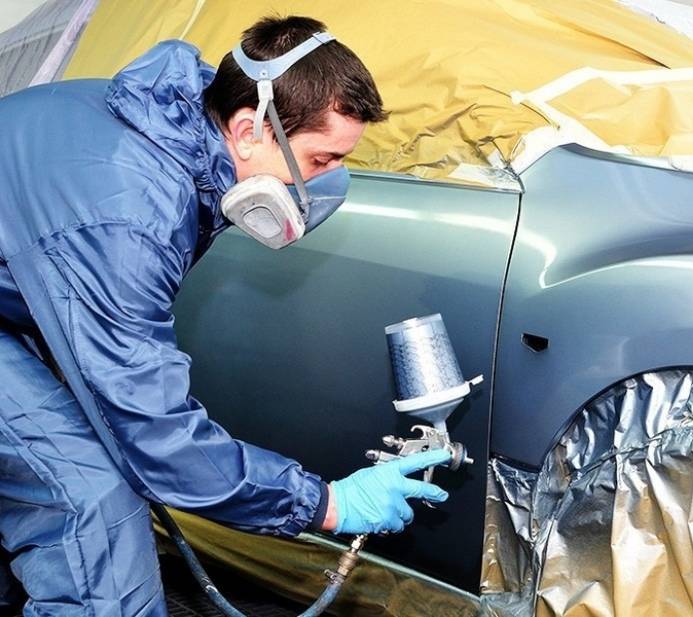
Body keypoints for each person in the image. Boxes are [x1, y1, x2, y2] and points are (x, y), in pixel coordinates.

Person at [0, 15, 451, 616]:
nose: (318, 185)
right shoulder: (131, 216)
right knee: (91, 508)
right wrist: (325, 504)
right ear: (247, 129)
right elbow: (156, 436)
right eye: (318, 161)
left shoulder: (174, 126)